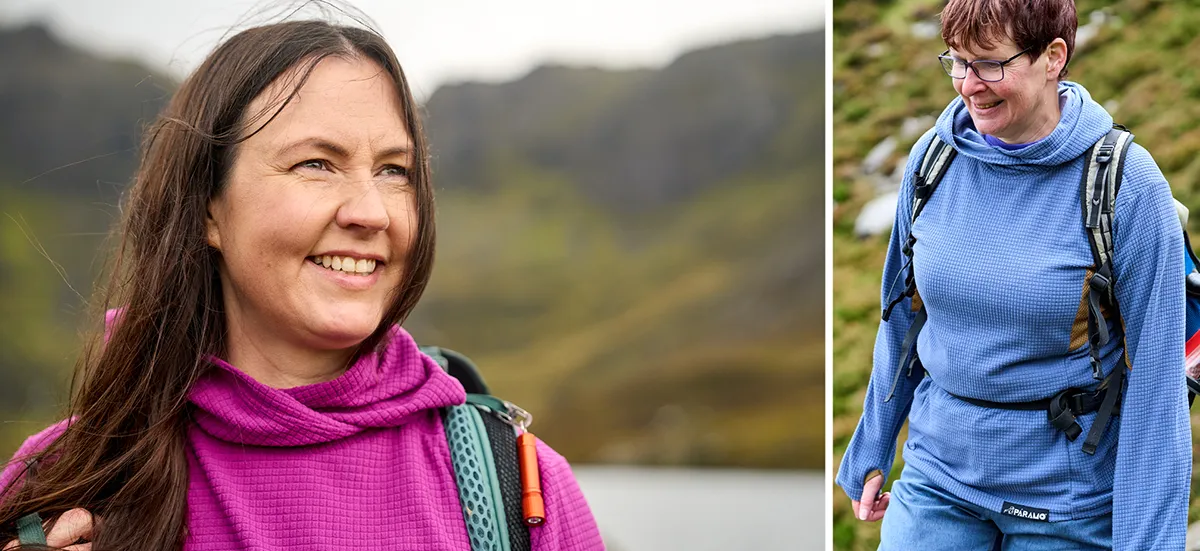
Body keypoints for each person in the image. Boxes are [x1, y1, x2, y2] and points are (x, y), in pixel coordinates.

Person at [0, 18, 603, 551]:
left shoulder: (519, 487)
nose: (371, 212)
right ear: (208, 207)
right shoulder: (61, 481)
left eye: (394, 171)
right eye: (316, 163)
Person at [836, 0, 1190, 549]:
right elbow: (901, 316)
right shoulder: (933, 160)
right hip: (937, 476)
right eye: (957, 61)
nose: (968, 85)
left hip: (1067, 501)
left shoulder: (1127, 186)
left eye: (990, 63)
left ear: (1053, 57)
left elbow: (1156, 384)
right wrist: (872, 444)